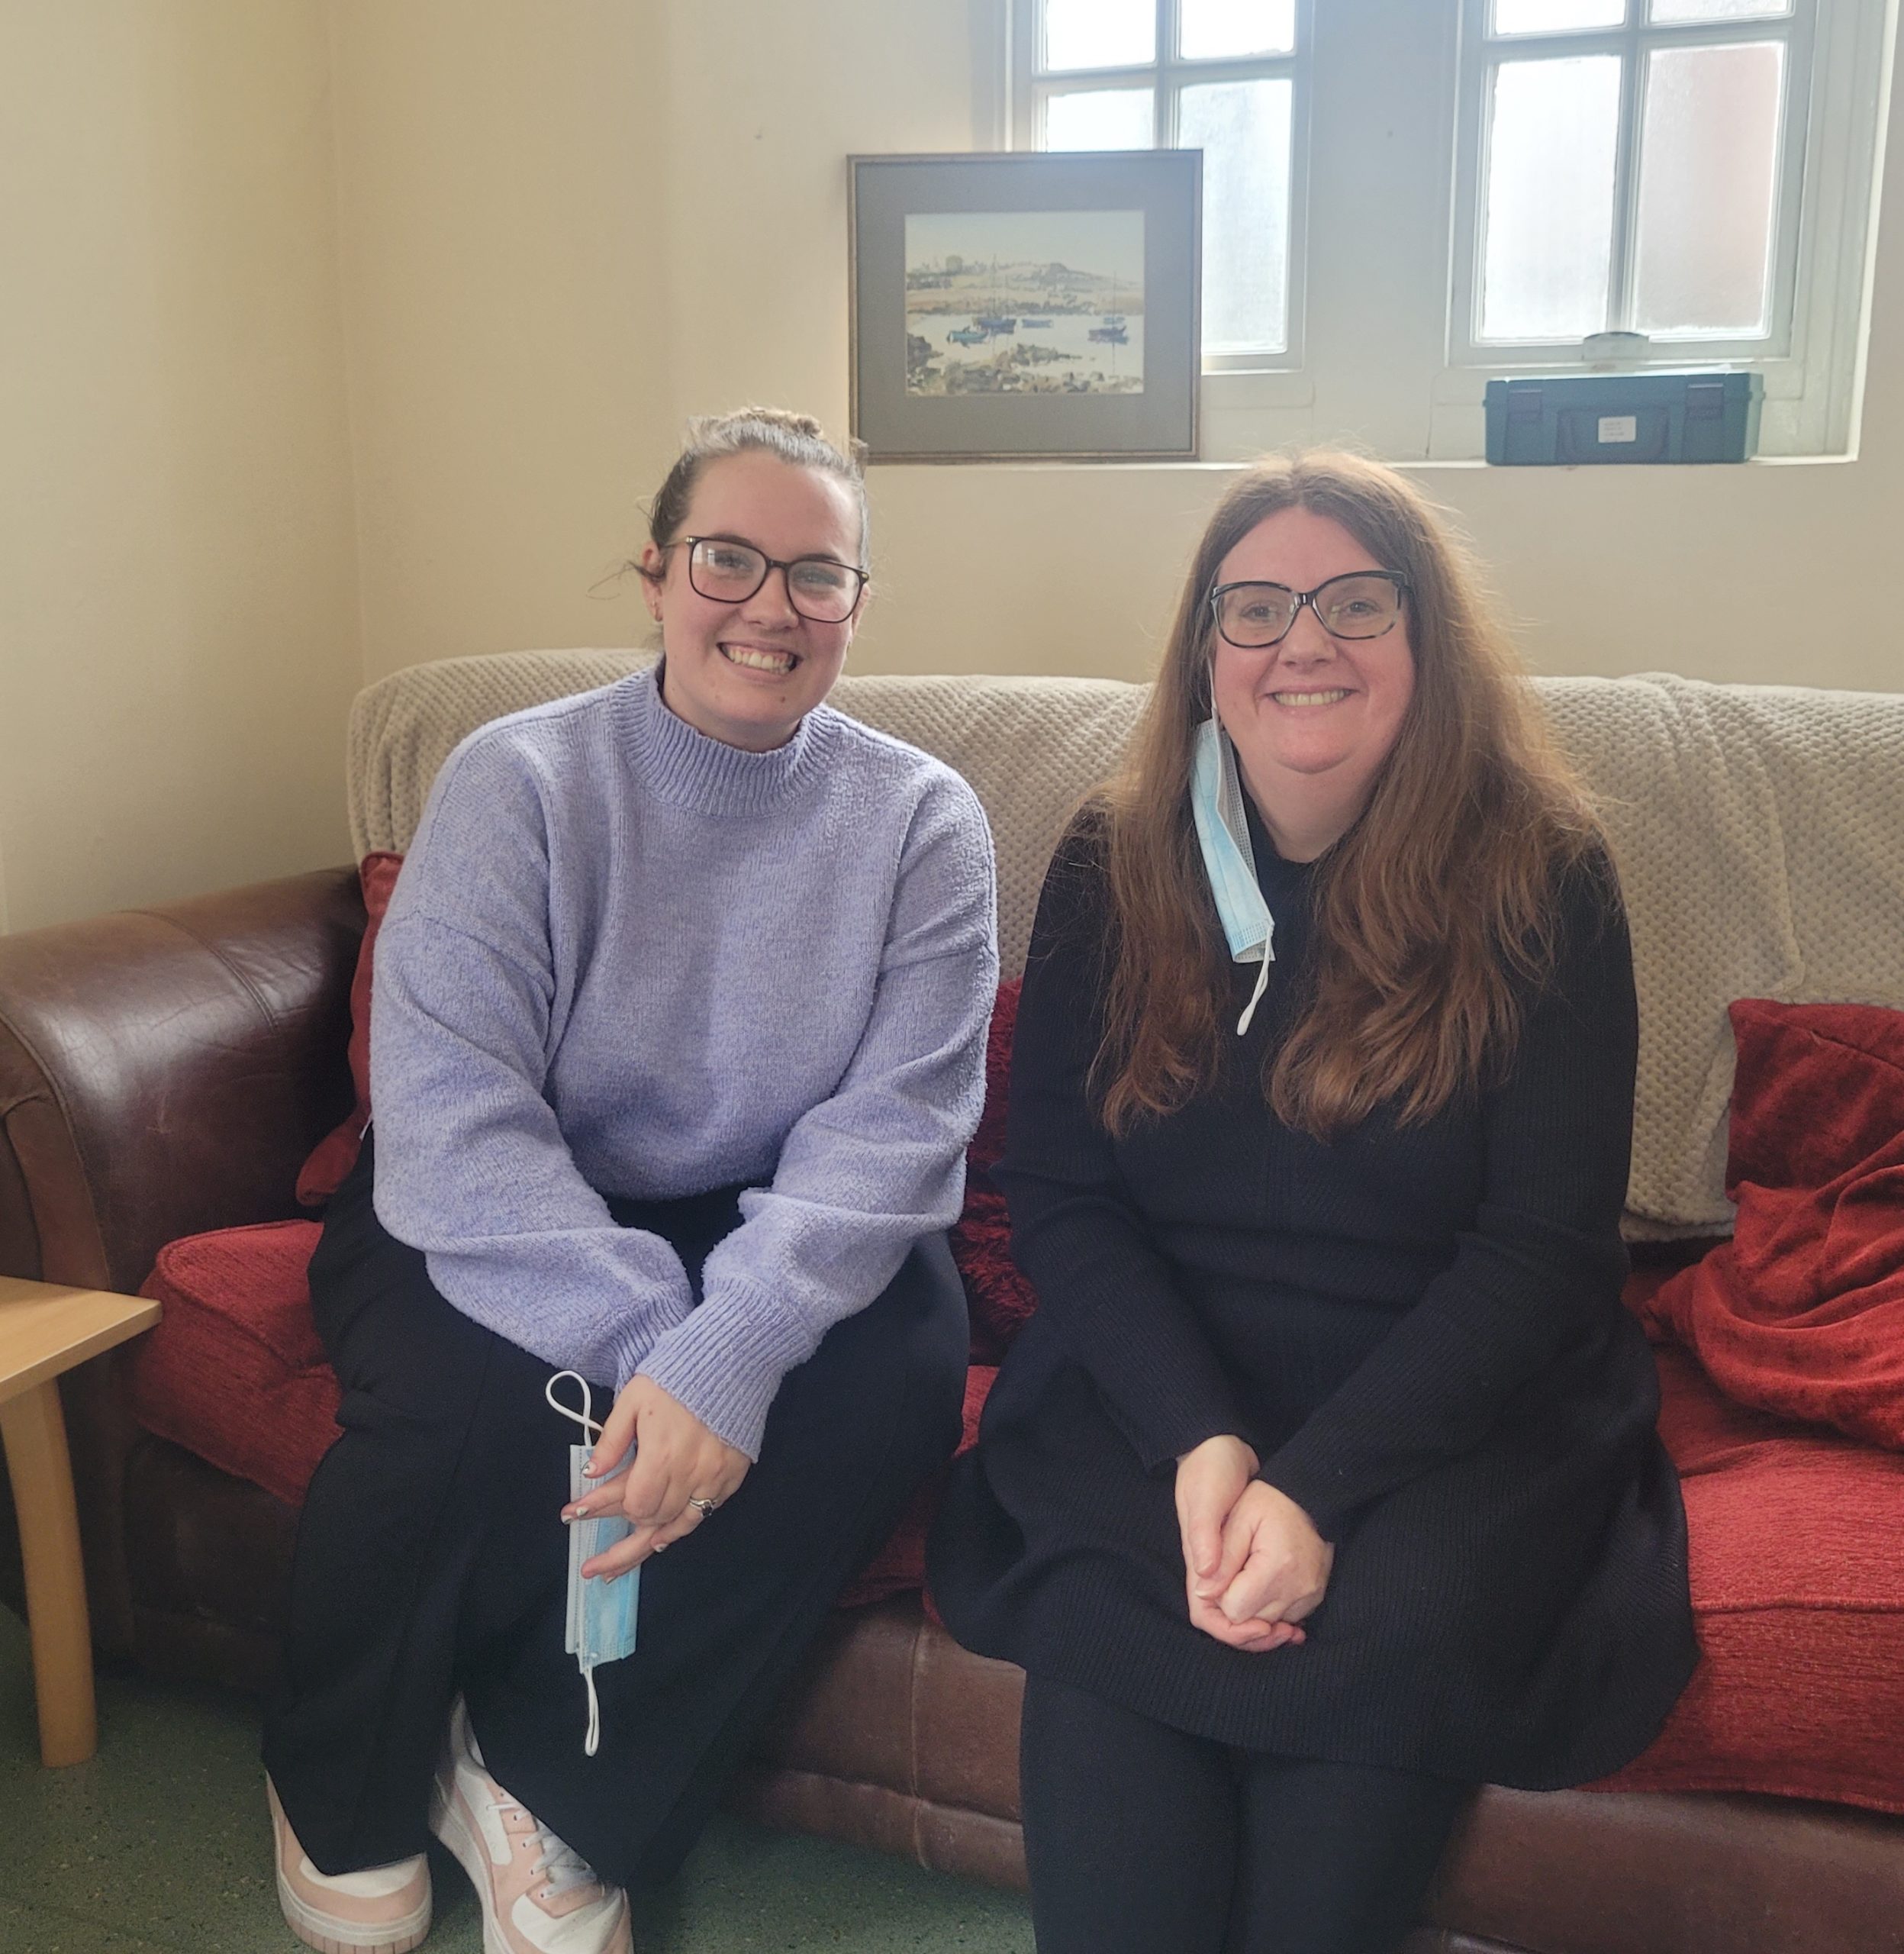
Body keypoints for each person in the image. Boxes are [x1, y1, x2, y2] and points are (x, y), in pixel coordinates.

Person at [927, 453, 1698, 1954]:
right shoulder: (1113, 854)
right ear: (1207, 652)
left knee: (1374, 1671)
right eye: (1258, 606)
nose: (1304, 641)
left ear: (1426, 641)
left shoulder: (1547, 872)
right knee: (1123, 1693)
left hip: (1447, 1413)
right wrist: (1206, 1446)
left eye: (1356, 602)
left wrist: (1314, 1489)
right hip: (1158, 1392)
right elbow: (1066, 1196)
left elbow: (1540, 1253)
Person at [263, 408, 997, 1954]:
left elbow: (900, 1127)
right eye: (730, 556)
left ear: (857, 605)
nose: (770, 604)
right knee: (482, 1402)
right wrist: (659, 1351)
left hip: (772, 1206)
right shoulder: (517, 778)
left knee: (899, 1368)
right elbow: (452, 1105)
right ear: (657, 573)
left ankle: (545, 1785)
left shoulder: (926, 818)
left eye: (818, 573)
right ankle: (332, 1770)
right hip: (493, 1189)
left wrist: (732, 1351)